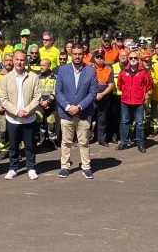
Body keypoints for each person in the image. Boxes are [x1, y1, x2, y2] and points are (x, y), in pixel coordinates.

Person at [0, 50, 41, 180]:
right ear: (13, 60)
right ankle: (13, 168)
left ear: (25, 61)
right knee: (13, 145)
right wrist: (17, 112)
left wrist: (27, 110)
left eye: (22, 60)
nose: (19, 62)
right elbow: (4, 100)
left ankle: (31, 167)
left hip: (29, 118)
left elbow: (37, 97)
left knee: (30, 145)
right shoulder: (5, 79)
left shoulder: (33, 77)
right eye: (17, 59)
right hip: (13, 118)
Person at [55, 45, 97, 179]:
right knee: (66, 141)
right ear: (71, 54)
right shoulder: (63, 70)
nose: (77, 56)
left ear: (83, 54)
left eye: (80, 54)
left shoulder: (90, 71)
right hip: (66, 113)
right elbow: (58, 92)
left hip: (83, 113)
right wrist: (68, 107)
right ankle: (65, 167)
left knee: (84, 142)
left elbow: (92, 93)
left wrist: (79, 107)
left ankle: (86, 167)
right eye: (75, 54)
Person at [116, 51, 152, 152]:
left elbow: (148, 84)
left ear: (138, 59)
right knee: (125, 122)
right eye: (131, 58)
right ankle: (124, 142)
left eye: (135, 58)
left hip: (138, 102)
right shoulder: (123, 71)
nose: (133, 60)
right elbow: (120, 84)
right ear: (128, 59)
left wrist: (141, 94)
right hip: (125, 101)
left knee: (140, 123)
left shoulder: (144, 71)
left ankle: (140, 144)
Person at [91, 50, 115, 146]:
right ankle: (88, 138)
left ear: (104, 58)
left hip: (103, 98)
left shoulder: (109, 69)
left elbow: (111, 85)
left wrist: (102, 94)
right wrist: (93, 94)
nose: (100, 59)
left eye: (101, 57)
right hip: (91, 98)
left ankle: (102, 139)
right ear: (95, 58)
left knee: (102, 119)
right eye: (98, 57)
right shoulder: (90, 69)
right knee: (89, 119)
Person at [35, 59, 58, 148]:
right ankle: (41, 140)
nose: (41, 67)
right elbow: (35, 91)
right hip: (40, 104)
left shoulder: (55, 77)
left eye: (43, 65)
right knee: (40, 123)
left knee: (51, 124)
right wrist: (41, 101)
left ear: (49, 66)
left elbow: (56, 90)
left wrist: (48, 101)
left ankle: (52, 141)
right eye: (40, 65)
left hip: (51, 104)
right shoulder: (37, 77)